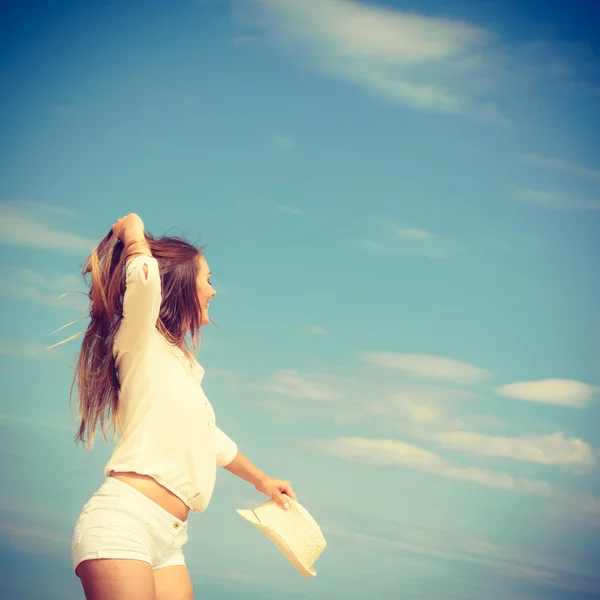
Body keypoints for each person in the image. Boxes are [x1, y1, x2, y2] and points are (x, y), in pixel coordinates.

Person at [70, 213, 296, 600]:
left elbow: (211, 438)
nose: (213, 291)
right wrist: (133, 232)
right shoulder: (138, 340)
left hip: (170, 541)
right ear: (181, 286)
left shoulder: (181, 366)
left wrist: (261, 480)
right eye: (208, 280)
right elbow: (143, 279)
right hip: (125, 521)